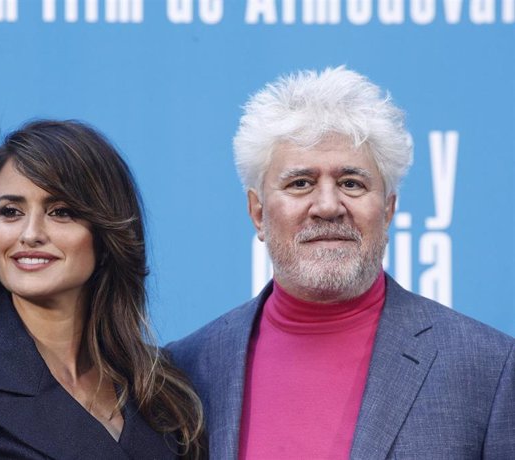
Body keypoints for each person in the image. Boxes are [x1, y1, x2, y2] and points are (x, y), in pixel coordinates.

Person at [168, 67, 515, 459]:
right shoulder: (185, 371)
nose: (329, 206)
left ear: (387, 210)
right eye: (300, 183)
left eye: (352, 183)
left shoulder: (489, 368)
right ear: (257, 212)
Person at [0, 120, 204, 459]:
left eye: (60, 212)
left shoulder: (165, 391)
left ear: (107, 236)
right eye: (11, 212)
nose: (30, 233)